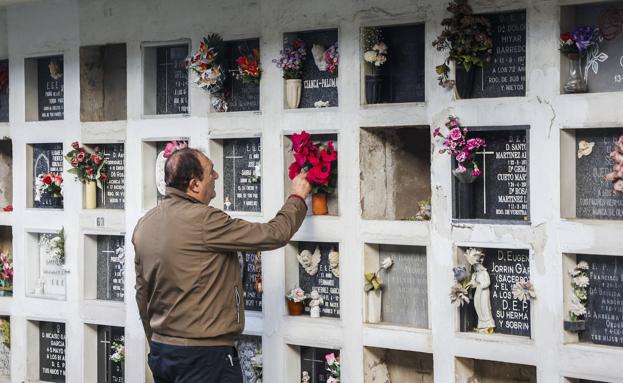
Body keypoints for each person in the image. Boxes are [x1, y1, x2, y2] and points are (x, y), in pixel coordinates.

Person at [132, 147, 310, 383]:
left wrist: (157, 343)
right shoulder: (205, 220)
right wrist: (297, 198)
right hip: (205, 359)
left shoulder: (145, 224)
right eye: (211, 172)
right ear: (194, 185)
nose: (216, 176)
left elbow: (142, 294)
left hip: (164, 354)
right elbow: (273, 234)